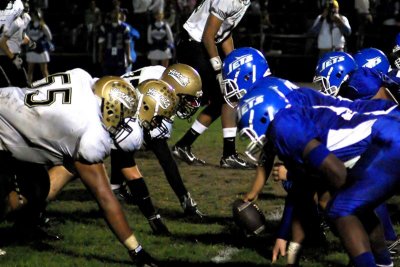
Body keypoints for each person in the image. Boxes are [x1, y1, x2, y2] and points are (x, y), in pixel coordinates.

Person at [0, 68, 158, 266]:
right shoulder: (89, 134)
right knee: (18, 191)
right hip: (3, 129)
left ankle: (24, 229)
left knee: (36, 187)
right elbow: (105, 197)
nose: (122, 122)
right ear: (109, 108)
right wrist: (136, 250)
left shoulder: (82, 78)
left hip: (7, 101)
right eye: (121, 115)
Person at [238, 85, 398, 267]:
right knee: (353, 207)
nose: (254, 139)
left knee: (341, 209)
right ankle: (383, 263)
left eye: (250, 131)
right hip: (388, 122)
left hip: (389, 136)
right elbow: (302, 193)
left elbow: (336, 171)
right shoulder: (297, 103)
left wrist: (294, 175)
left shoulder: (284, 127)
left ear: (264, 115)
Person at [111, 64, 205, 235]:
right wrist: (185, 198)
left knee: (124, 144)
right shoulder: (157, 96)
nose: (190, 105)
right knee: (126, 143)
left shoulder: (162, 80)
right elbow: (165, 158)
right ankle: (115, 188)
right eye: (187, 98)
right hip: (116, 104)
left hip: (122, 98)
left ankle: (116, 187)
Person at [171, 0, 254, 169]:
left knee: (221, 100)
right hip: (194, 44)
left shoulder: (243, 1)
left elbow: (224, 34)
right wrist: (218, 70)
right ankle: (228, 155)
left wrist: (232, 63)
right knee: (227, 95)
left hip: (199, 43)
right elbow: (208, 36)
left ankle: (183, 145)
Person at [0, 0, 30, 87]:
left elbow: (21, 36)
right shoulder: (15, 22)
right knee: (20, 86)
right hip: (7, 55)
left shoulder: (17, 21)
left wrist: (27, 41)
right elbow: (2, 43)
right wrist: (13, 59)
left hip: (10, 54)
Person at [98, 7, 131, 76]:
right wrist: (100, 55)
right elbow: (101, 43)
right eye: (114, 13)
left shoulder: (124, 27)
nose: (115, 15)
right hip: (108, 54)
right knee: (107, 77)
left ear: (120, 15)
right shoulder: (105, 27)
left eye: (117, 13)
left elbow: (127, 44)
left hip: (120, 55)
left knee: (120, 77)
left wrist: (128, 56)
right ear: (110, 14)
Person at [25, 8, 53, 84]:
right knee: (30, 70)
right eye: (32, 15)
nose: (33, 16)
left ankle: (49, 85)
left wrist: (42, 41)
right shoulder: (29, 25)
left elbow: (49, 37)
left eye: (35, 15)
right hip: (31, 50)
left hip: (41, 50)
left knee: (44, 71)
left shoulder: (43, 26)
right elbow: (26, 35)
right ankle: (29, 85)